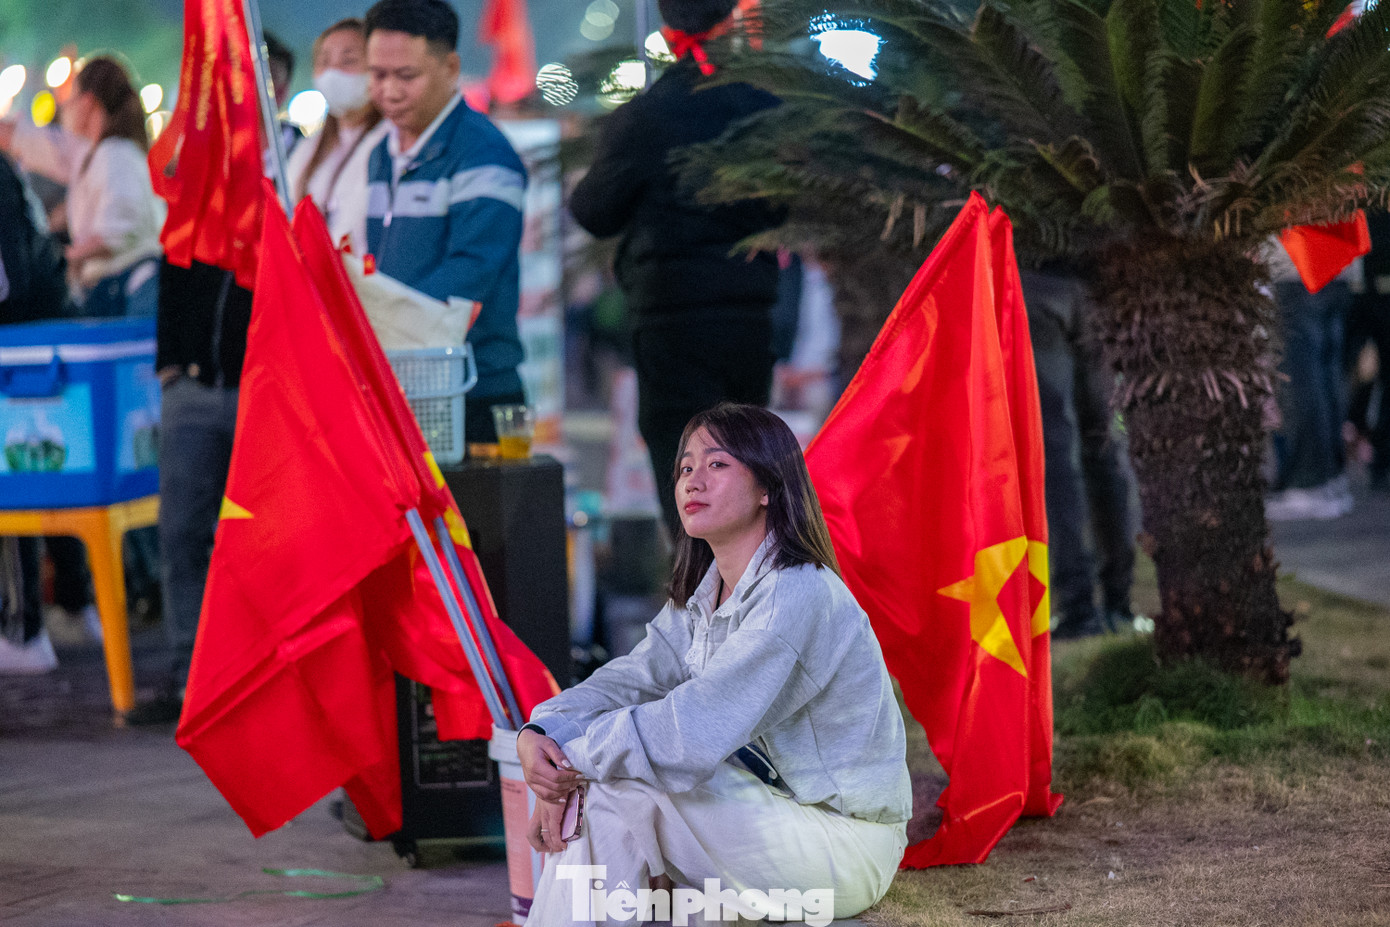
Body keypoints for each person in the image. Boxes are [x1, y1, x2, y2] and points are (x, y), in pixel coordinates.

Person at [517, 403, 910, 926]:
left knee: (625, 781)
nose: (692, 481)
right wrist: (543, 728)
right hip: (761, 818)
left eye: (717, 465)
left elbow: (691, 732)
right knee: (612, 788)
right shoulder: (704, 598)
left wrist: (571, 766)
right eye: (684, 467)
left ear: (768, 486)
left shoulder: (798, 594)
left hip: (842, 845)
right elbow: (630, 680)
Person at [568, 0, 783, 540]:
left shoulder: (648, 114)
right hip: (747, 317)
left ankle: (704, 606)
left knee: (689, 466)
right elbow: (783, 203)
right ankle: (752, 597)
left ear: (666, 24)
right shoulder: (761, 106)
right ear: (734, 18)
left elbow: (595, 211)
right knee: (745, 462)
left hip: (671, 319)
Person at [364, 0, 528, 444]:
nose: (389, 92)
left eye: (406, 76)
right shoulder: (381, 154)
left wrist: (381, 325)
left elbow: (470, 272)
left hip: (474, 388)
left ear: (451, 67)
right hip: (399, 386)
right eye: (377, 75)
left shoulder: (484, 155)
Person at [1021, 266, 1137, 638]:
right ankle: (1118, 601)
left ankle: (1079, 606)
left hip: (1035, 283)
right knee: (1103, 443)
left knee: (1056, 453)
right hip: (1095, 284)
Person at [61, 56, 164, 318]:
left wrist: (67, 258)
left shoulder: (114, 154)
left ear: (88, 102)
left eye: (71, 97)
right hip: (123, 290)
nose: (66, 106)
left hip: (130, 294)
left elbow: (117, 233)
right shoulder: (108, 153)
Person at [286, 19, 389, 254]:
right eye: (324, 62)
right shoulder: (307, 149)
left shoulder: (391, 142)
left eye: (348, 60)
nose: (333, 72)